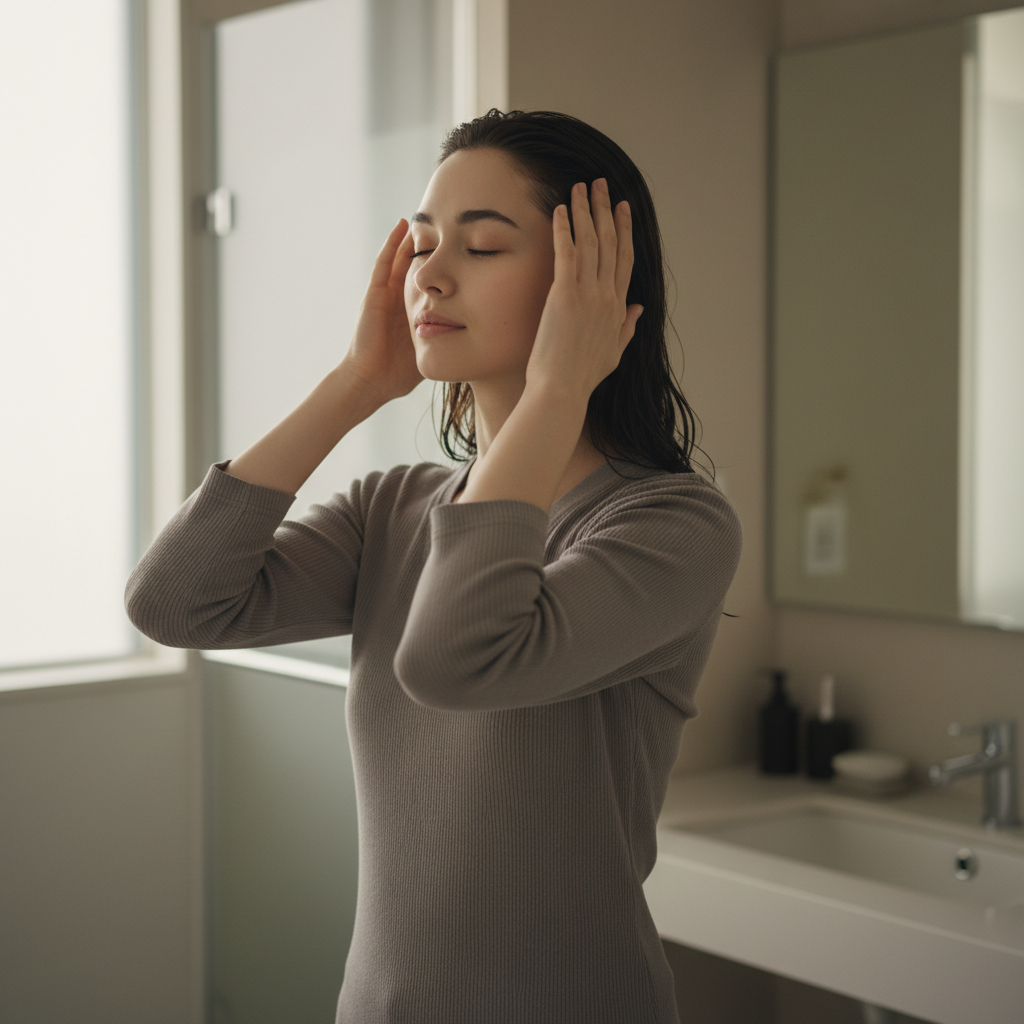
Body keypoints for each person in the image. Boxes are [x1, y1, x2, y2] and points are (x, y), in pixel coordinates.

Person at [126, 109, 742, 1024]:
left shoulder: (671, 525)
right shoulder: (395, 507)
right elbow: (176, 604)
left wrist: (558, 389)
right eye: (420, 245)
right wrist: (356, 382)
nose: (431, 275)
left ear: (593, 283)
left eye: (484, 246)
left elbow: (456, 660)